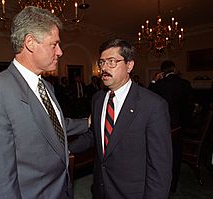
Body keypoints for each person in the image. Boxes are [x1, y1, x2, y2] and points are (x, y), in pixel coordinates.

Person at [0, 7, 88, 199]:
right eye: (54, 44)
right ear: (30, 43)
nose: (60, 52)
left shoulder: (46, 86)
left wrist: (88, 122)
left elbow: (53, 126)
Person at [69, 38, 172, 199]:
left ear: (129, 65)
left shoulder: (153, 105)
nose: (104, 68)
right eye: (102, 62)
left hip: (131, 192)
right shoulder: (97, 98)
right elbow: (94, 135)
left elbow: (160, 167)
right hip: (100, 187)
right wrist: (67, 149)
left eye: (111, 62)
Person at [148, 60, 193, 192]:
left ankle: (161, 184)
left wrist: (154, 81)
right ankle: (173, 184)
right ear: (174, 68)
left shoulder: (160, 84)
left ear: (162, 71)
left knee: (161, 155)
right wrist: (184, 123)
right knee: (176, 155)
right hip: (179, 126)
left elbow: (146, 100)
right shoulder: (185, 83)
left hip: (162, 126)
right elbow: (190, 107)